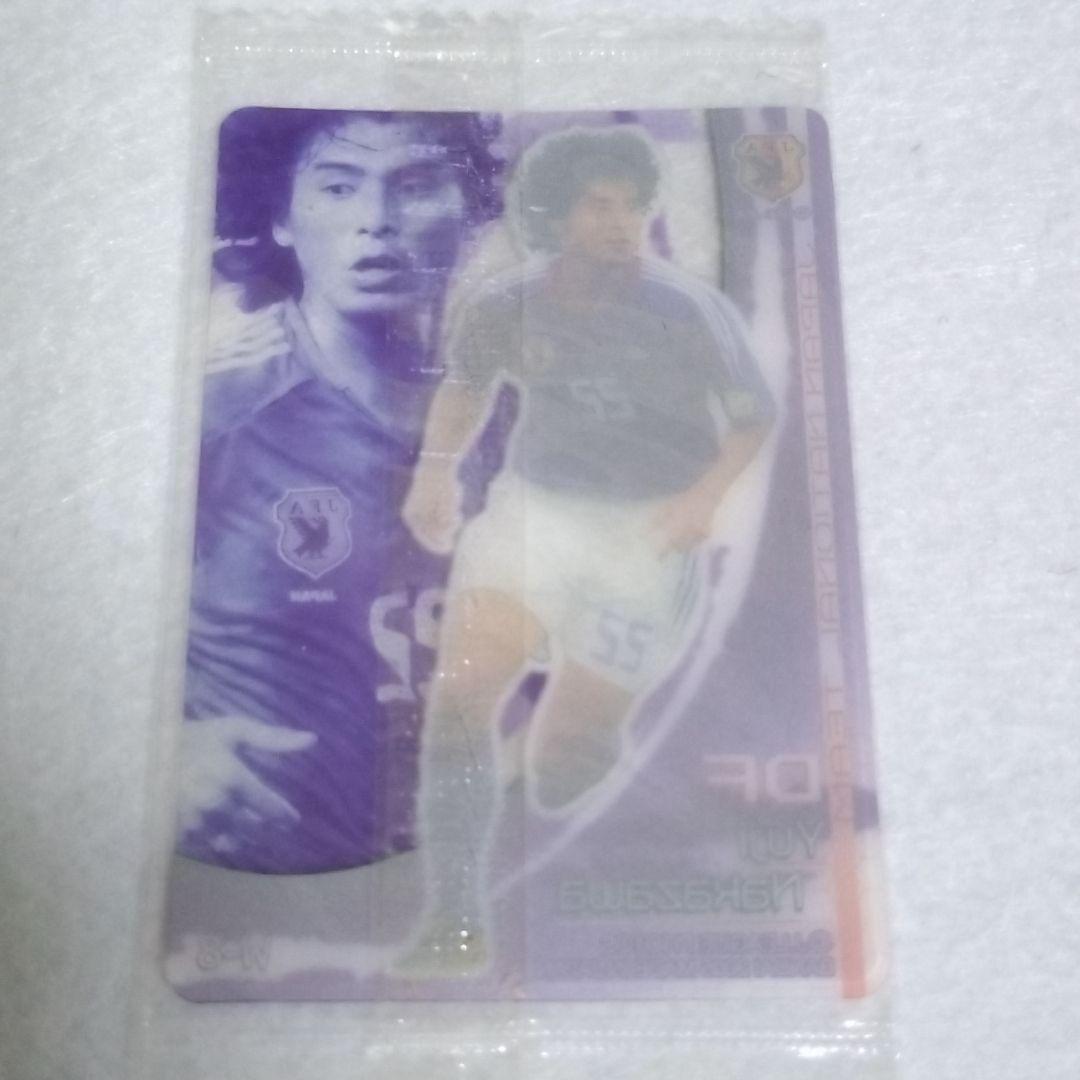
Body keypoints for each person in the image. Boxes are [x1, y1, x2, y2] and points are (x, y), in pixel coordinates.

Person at [397, 126, 775, 972]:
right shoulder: (504, 304)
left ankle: (600, 786)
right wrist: (436, 470)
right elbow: (467, 386)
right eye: (599, 206)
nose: (621, 222)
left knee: (563, 764)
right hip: (536, 517)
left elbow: (755, 420)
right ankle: (455, 919)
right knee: (459, 700)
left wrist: (704, 498)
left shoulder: (687, 311)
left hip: (646, 538)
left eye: (633, 205)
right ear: (552, 217)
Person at [176, 108, 502, 875]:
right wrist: (164, 754)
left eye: (414, 186)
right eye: (338, 186)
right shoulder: (212, 408)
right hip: (261, 866)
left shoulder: (510, 418)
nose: (376, 220)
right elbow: (63, 622)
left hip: (453, 868)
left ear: (469, 213)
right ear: (281, 219)